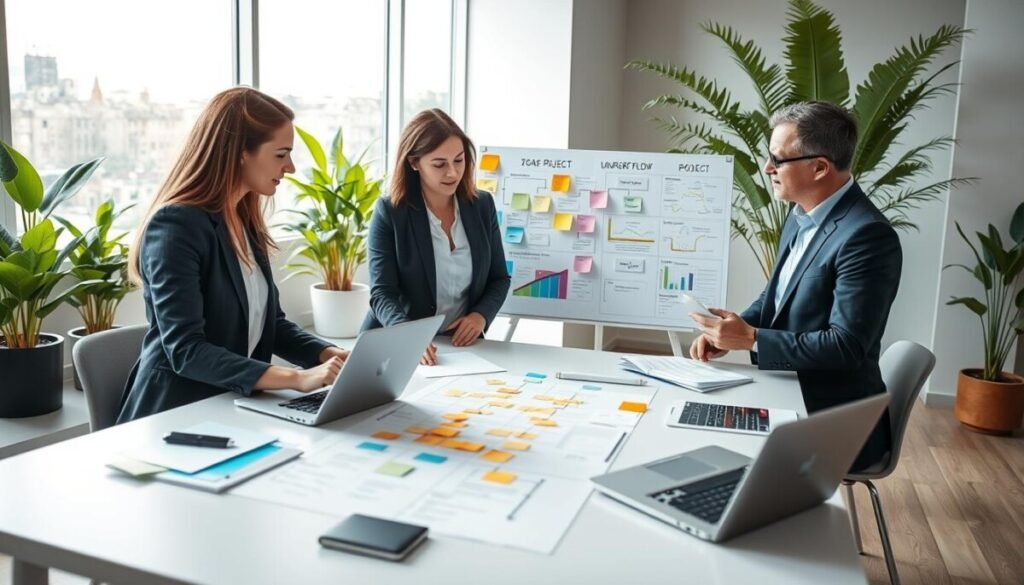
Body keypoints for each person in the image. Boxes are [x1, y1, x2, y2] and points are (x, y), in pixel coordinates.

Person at [688, 101, 902, 472]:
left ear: (819, 168)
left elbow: (845, 346)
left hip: (834, 418)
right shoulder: (800, 213)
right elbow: (777, 297)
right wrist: (732, 330)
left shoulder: (867, 236)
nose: (768, 169)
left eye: (778, 159)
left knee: (712, 446)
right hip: (788, 388)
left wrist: (752, 338)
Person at [117, 87, 350, 424]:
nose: (291, 168)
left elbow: (273, 324)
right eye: (281, 154)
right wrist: (297, 379)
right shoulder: (175, 225)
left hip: (230, 405)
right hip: (175, 414)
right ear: (241, 152)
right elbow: (186, 351)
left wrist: (327, 354)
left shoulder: (244, 219)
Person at [362, 108, 510, 365]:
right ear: (414, 162)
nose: (452, 173)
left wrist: (480, 316)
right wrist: (410, 338)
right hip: (394, 347)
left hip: (460, 348)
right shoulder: (390, 212)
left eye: (459, 160)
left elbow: (498, 278)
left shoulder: (482, 205)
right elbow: (382, 294)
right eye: (439, 164)